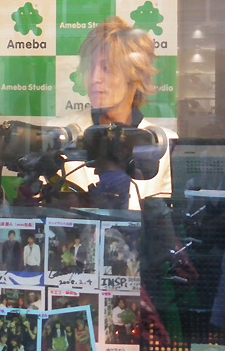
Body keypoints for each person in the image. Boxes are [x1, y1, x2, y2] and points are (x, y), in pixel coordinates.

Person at [52, 17, 178, 210]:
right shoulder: (60, 136)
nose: (94, 78)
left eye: (106, 68)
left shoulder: (163, 144)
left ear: (135, 74)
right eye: (90, 68)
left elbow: (167, 219)